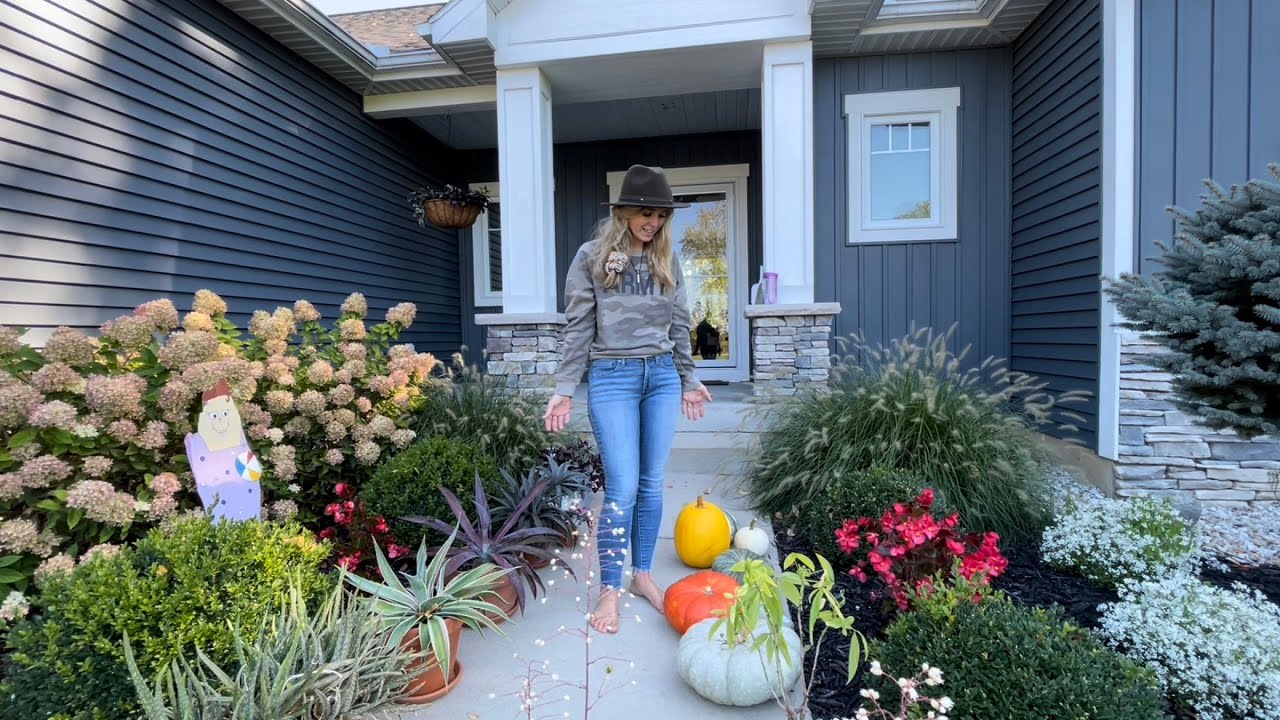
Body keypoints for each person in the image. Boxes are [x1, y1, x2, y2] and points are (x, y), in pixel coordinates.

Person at [543, 164, 713, 634]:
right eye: (645, 212)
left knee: (653, 483)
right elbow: (578, 327)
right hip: (611, 378)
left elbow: (679, 325)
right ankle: (610, 590)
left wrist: (688, 379)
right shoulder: (591, 258)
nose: (653, 221)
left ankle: (642, 575)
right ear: (622, 211)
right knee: (623, 487)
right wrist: (563, 389)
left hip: (658, 376)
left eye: (660, 214)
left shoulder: (666, 258)